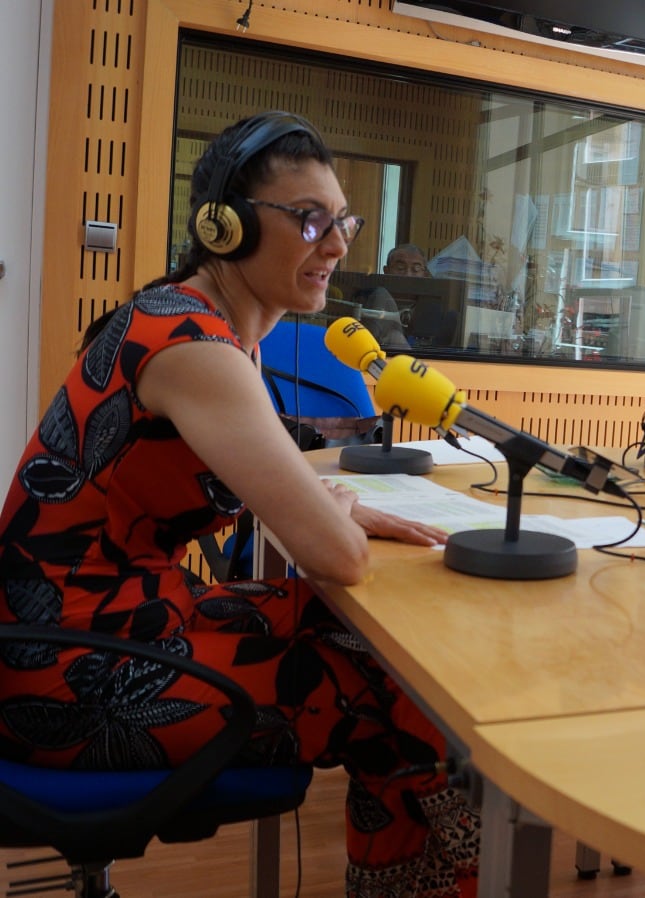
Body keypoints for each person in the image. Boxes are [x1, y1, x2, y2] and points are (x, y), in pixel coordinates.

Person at [0, 111, 479, 897]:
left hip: (112, 618)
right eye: (309, 219)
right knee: (396, 688)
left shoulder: (207, 327)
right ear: (223, 227)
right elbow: (337, 559)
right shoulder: (193, 346)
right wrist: (333, 520)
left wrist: (329, 506)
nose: (336, 244)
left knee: (373, 651)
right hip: (65, 669)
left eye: (342, 221)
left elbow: (284, 501)